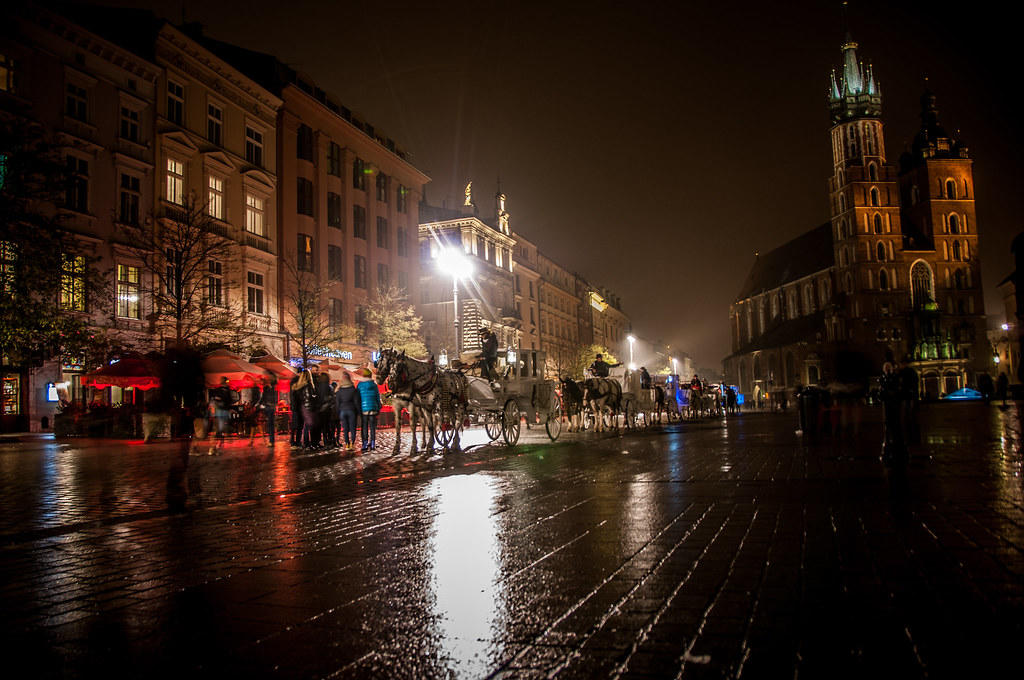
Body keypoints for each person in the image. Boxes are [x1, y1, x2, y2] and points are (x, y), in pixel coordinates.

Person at [356, 367, 382, 451]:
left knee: (364, 426)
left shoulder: (360, 385)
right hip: (373, 407)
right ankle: (373, 443)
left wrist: (358, 408)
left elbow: (357, 398)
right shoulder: (374, 385)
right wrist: (378, 407)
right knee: (372, 426)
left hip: (364, 409)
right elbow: (377, 397)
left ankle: (364, 443)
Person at [294, 367, 318, 449]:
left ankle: (298, 443)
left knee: (300, 427)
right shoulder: (309, 385)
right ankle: (307, 443)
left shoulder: (298, 386)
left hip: (300, 408)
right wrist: (315, 397)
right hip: (307, 407)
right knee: (308, 426)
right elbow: (309, 397)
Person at [335, 370, 360, 451]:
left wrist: (338, 412)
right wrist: (358, 411)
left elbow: (337, 403)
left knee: (345, 429)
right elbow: (356, 402)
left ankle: (347, 443)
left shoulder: (339, 390)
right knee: (352, 428)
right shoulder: (353, 389)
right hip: (351, 410)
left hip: (342, 411)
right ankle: (352, 443)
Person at [209, 377, 234, 453]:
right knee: (217, 430)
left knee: (219, 430)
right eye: (227, 382)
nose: (227, 383)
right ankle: (213, 448)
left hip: (221, 412)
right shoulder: (220, 391)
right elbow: (215, 402)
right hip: (220, 412)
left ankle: (216, 447)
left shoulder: (224, 391)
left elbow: (214, 402)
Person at [259, 376, 277, 446]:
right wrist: (259, 404)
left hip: (270, 407)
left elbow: (273, 398)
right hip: (268, 407)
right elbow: (263, 398)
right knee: (269, 424)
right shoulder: (266, 388)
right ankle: (271, 441)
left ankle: (271, 441)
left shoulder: (273, 388)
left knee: (270, 424)